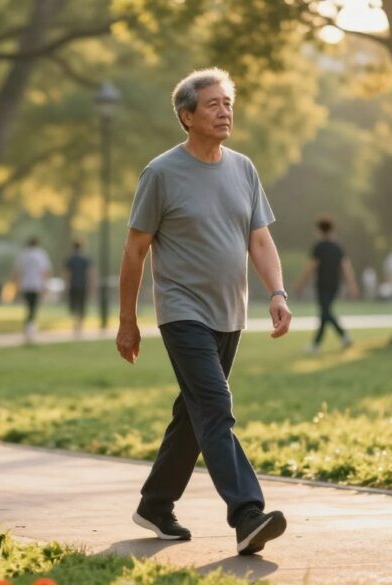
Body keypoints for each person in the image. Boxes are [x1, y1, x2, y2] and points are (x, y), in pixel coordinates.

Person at [117, 68, 292, 556]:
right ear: (186, 116)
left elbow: (260, 238)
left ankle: (155, 503)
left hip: (229, 312)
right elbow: (135, 251)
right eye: (213, 104)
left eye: (228, 103)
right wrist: (127, 321)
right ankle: (248, 515)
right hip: (181, 310)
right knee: (215, 405)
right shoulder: (161, 173)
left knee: (194, 415)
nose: (224, 111)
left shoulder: (243, 168)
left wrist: (277, 293)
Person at [292, 216, 359, 352]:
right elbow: (347, 268)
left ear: (319, 230)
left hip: (322, 286)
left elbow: (310, 267)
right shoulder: (338, 247)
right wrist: (352, 286)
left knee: (325, 313)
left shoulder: (319, 247)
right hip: (335, 286)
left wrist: (300, 284)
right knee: (325, 313)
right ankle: (324, 343)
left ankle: (336, 339)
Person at [11, 237, 51, 343]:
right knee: (34, 306)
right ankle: (31, 325)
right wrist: (45, 285)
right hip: (36, 284)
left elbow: (17, 271)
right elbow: (45, 271)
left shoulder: (23, 255)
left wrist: (16, 284)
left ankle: (28, 325)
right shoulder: (41, 255)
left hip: (25, 284)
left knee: (28, 306)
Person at [64, 240, 91, 336]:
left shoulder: (70, 259)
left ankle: (75, 324)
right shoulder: (85, 259)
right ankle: (80, 325)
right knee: (82, 305)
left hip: (73, 285)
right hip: (82, 285)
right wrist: (90, 285)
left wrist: (66, 285)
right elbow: (89, 273)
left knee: (74, 305)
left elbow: (67, 274)